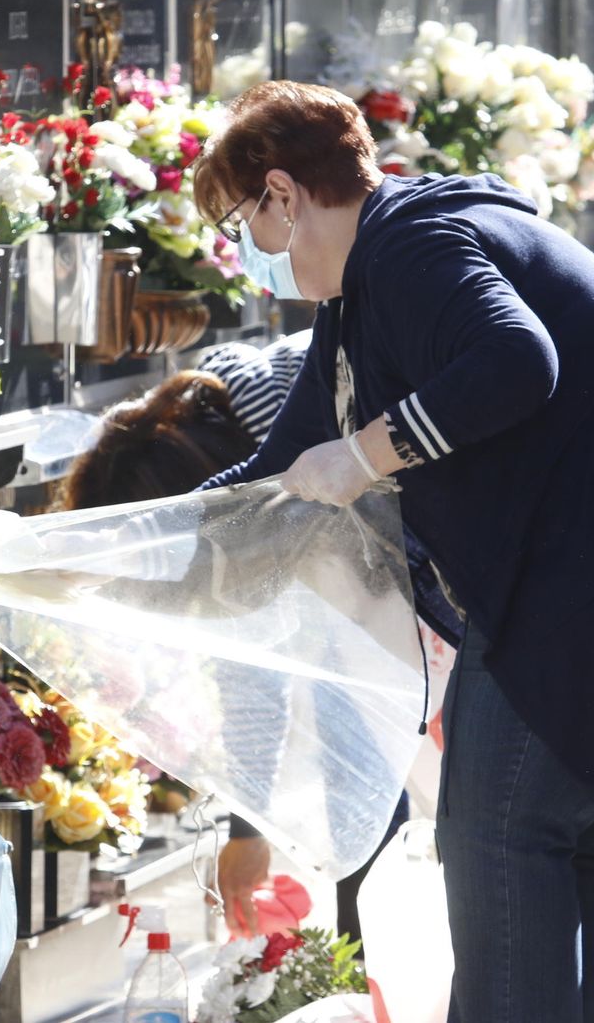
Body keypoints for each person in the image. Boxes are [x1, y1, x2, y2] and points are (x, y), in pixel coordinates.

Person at [191, 81, 594, 1023]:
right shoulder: (363, 293)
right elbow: (274, 466)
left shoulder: (413, 245)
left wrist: (364, 455)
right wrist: (125, 535)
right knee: (578, 833)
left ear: (282, 195)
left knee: (498, 839)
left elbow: (518, 358)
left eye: (239, 227)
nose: (246, 258)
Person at [56, 369, 421, 944]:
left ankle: (379, 961)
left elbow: (253, 658)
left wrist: (249, 828)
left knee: (358, 750)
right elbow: (251, 648)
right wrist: (250, 827)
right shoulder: (210, 426)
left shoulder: (282, 439)